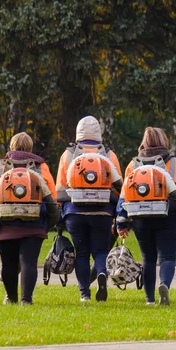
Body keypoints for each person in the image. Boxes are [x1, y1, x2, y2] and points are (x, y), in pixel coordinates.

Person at [116, 127, 176, 306]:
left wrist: (121, 222)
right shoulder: (174, 164)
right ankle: (164, 284)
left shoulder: (133, 165)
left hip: (140, 218)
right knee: (167, 257)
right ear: (164, 142)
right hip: (169, 215)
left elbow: (123, 197)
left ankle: (149, 299)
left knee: (148, 258)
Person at [0, 132, 59, 306]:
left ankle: (11, 297)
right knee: (28, 262)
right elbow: (52, 198)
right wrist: (47, 225)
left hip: (4, 225)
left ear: (11, 148)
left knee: (8, 264)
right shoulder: (41, 168)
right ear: (30, 148)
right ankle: (26, 299)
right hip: (34, 224)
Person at [56, 116, 123, 302]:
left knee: (82, 253)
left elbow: (60, 190)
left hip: (74, 213)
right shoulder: (109, 155)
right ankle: (101, 273)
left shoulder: (68, 155)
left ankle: (84, 294)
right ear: (99, 134)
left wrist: (60, 217)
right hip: (102, 212)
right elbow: (120, 189)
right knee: (101, 251)